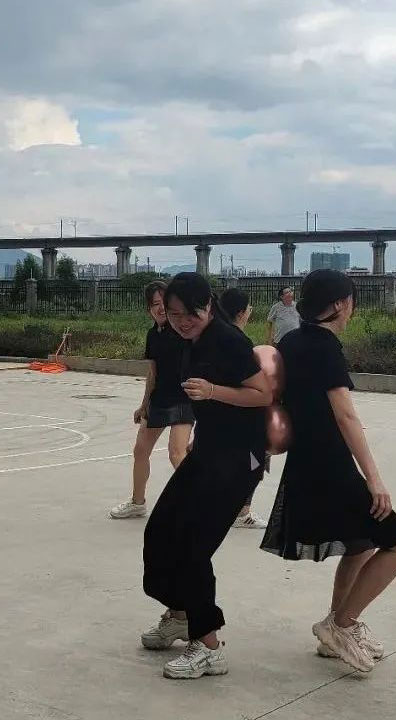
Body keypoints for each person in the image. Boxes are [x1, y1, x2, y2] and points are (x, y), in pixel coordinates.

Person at [260, 269, 396, 674]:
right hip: (330, 465)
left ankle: (336, 630)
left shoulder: (291, 341)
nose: (351, 310)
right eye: (351, 302)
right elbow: (345, 415)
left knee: (361, 544)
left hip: (307, 463)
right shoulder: (325, 347)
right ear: (340, 304)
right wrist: (374, 479)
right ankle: (341, 625)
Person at [138, 272, 273, 680]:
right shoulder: (186, 340)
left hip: (238, 459)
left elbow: (263, 394)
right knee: (160, 531)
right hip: (209, 452)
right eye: (173, 313)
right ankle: (181, 615)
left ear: (208, 306)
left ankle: (209, 646)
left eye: (189, 313)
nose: (181, 321)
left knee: (192, 546)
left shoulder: (228, 341)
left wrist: (213, 391)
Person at [109, 281, 194, 519]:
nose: (161, 308)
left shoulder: (184, 331)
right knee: (140, 451)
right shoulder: (152, 335)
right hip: (159, 399)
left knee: (177, 453)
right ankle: (137, 503)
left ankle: (199, 503)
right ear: (149, 309)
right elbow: (152, 373)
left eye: (164, 303)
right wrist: (144, 404)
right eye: (155, 304)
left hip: (183, 400)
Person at [218, 286, 268, 529]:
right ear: (241, 313)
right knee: (255, 463)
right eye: (248, 308)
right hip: (244, 415)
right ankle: (242, 512)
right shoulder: (239, 342)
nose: (250, 312)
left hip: (221, 415)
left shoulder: (216, 338)